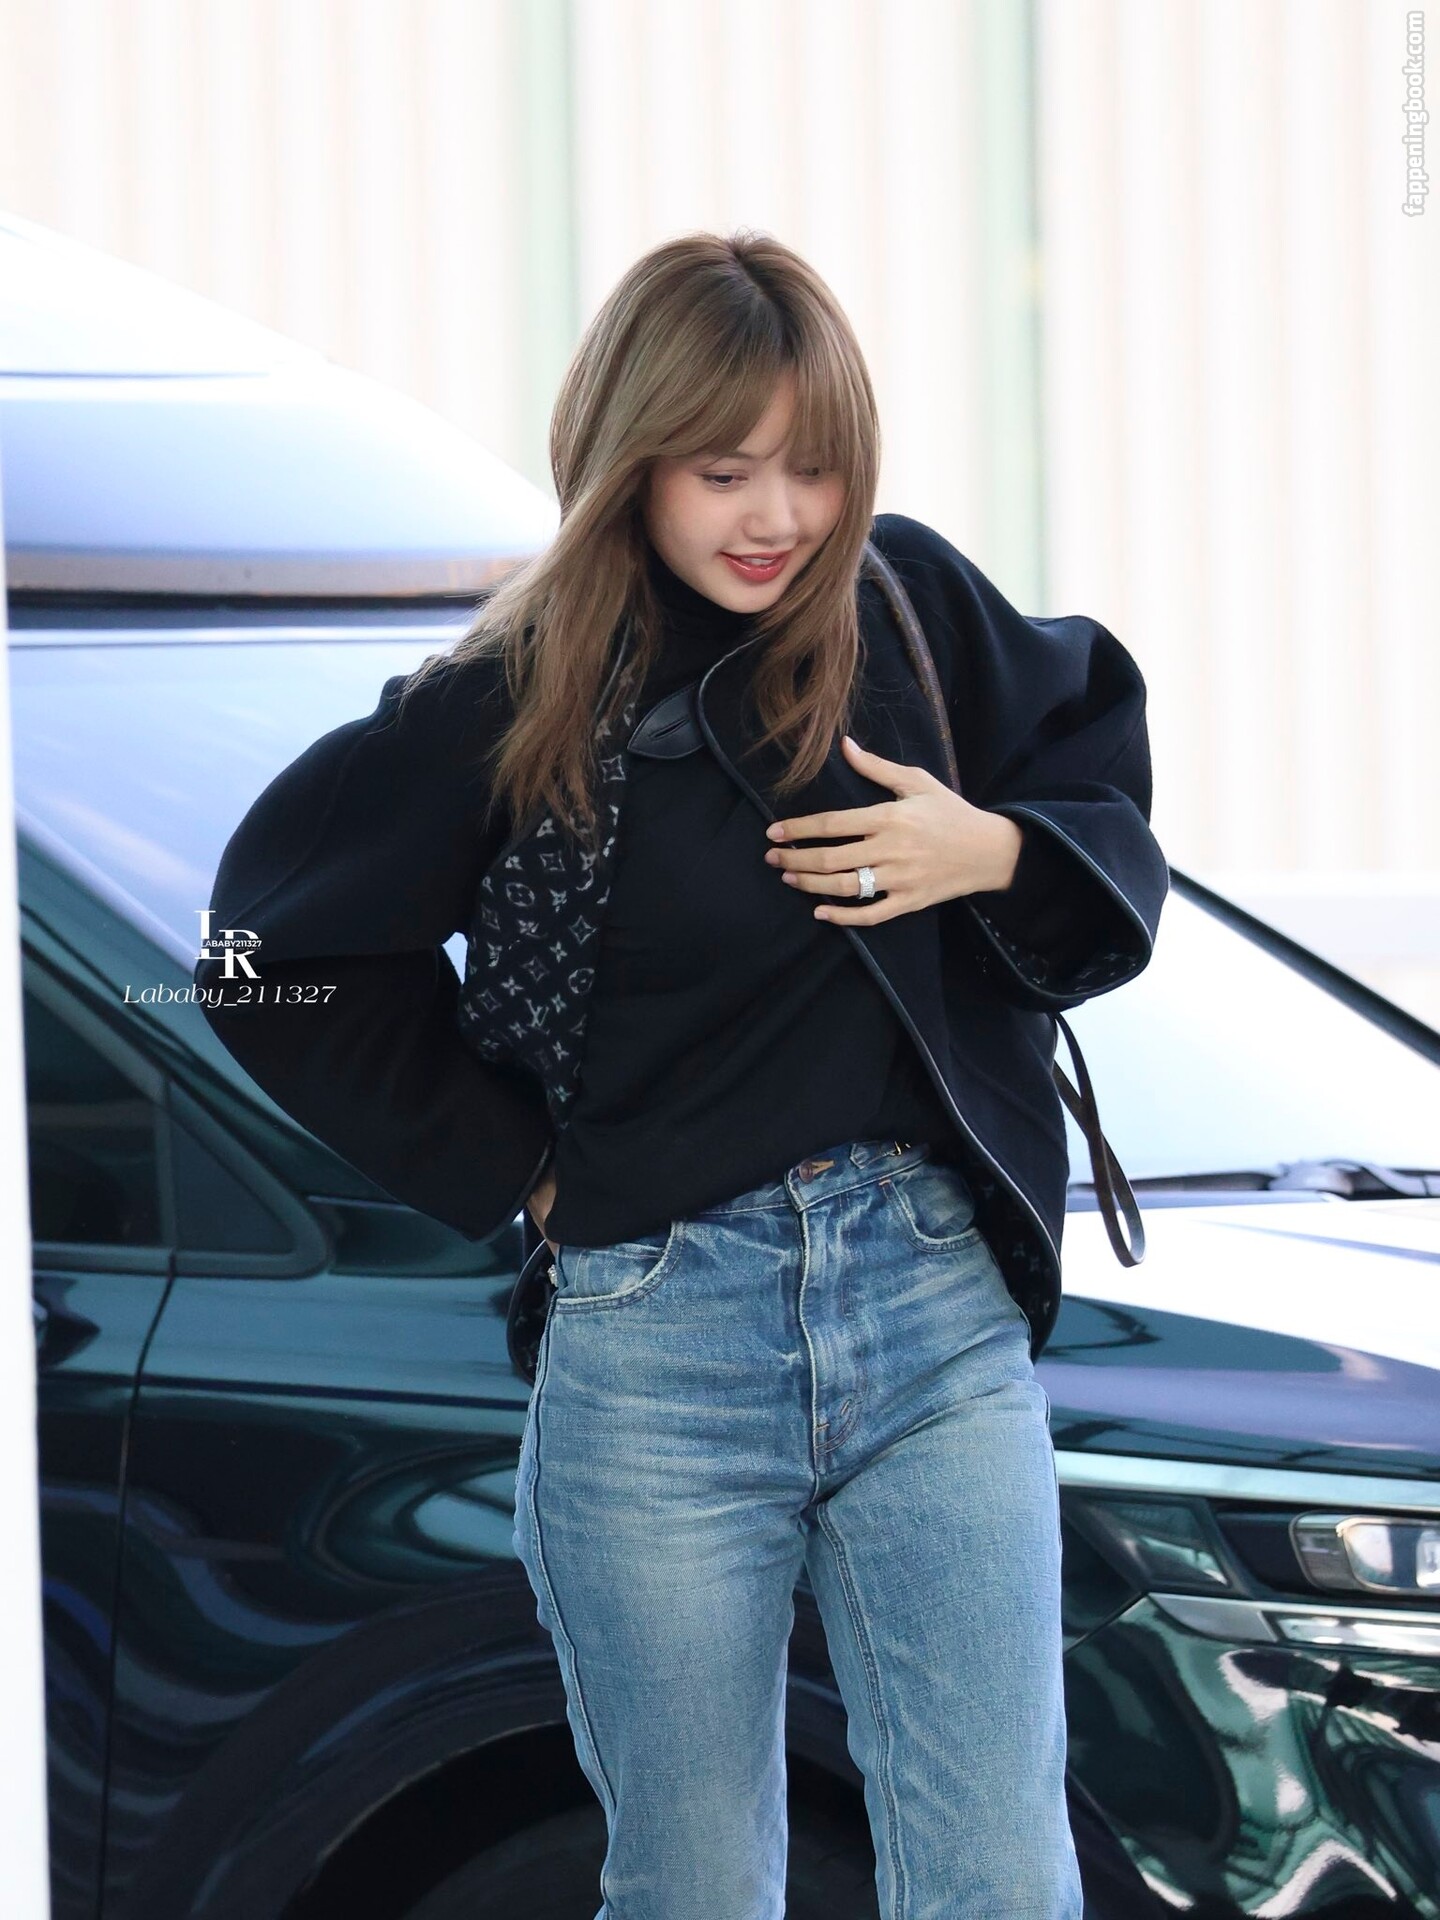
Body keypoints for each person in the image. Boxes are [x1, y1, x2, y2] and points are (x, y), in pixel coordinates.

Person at [196, 230, 1169, 1920]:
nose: (776, 514)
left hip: (932, 1315)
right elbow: (263, 955)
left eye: (814, 466)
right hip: (658, 1339)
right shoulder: (517, 696)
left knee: (1006, 1878)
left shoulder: (911, 611)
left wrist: (996, 851)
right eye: (724, 471)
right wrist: (520, 1167)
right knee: (695, 1886)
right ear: (629, 459)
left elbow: (1100, 776)